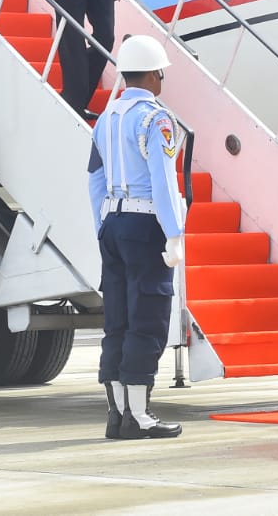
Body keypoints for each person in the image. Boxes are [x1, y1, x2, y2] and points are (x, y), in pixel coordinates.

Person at [88, 35, 184, 439]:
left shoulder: (105, 118)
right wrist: (174, 233)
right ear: (154, 74)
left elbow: (94, 178)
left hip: (112, 222)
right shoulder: (155, 119)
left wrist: (102, 224)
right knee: (147, 318)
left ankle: (117, 415)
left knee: (118, 322)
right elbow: (164, 179)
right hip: (145, 226)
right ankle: (139, 416)